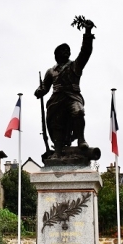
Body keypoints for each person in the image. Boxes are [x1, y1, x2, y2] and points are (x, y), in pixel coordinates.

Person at [35, 19, 94, 151]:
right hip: (56, 99)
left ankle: (81, 139)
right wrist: (39, 91)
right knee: (55, 123)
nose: (66, 51)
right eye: (62, 50)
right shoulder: (51, 71)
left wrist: (88, 33)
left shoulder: (75, 65)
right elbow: (45, 87)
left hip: (73, 96)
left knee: (78, 111)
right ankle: (58, 147)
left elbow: (86, 52)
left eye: (67, 50)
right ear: (56, 55)